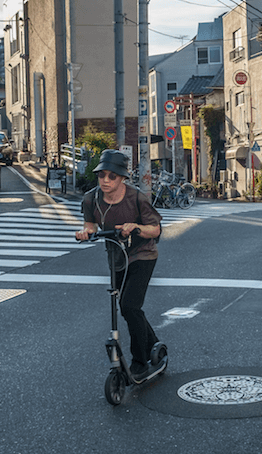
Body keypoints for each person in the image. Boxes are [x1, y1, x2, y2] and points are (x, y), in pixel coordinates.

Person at [75, 149, 163, 380]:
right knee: (129, 308)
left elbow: (155, 229)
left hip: (143, 255)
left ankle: (140, 362)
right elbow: (91, 225)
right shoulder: (91, 199)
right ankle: (153, 343)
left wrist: (135, 227)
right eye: (101, 175)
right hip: (117, 257)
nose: (105, 180)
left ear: (122, 177)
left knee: (129, 306)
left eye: (111, 176)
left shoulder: (136, 198)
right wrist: (86, 232)